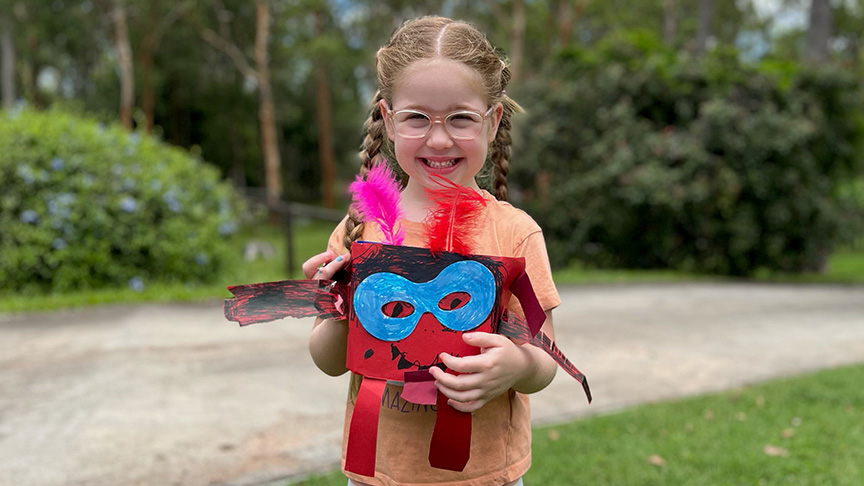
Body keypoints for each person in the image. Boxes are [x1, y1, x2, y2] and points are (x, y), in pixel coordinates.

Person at [301, 16, 560, 486]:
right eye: (417, 117)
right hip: (377, 475)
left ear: (493, 119)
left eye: (460, 117)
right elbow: (329, 363)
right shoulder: (362, 229)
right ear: (388, 120)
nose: (438, 139)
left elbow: (546, 362)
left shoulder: (514, 233)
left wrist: (516, 365)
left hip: (484, 477)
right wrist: (338, 305)